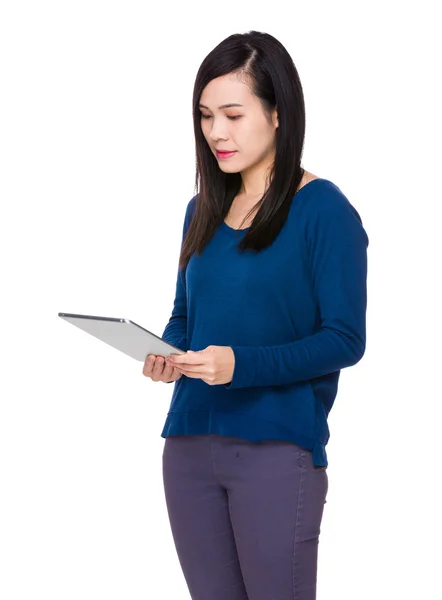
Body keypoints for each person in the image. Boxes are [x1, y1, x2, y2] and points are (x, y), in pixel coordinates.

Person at [143, 30, 368, 600]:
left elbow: (344, 339)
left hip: (275, 448)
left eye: (233, 114)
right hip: (188, 445)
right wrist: (166, 354)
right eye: (205, 115)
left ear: (276, 113)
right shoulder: (203, 208)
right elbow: (184, 317)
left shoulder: (324, 211)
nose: (216, 131)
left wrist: (239, 364)